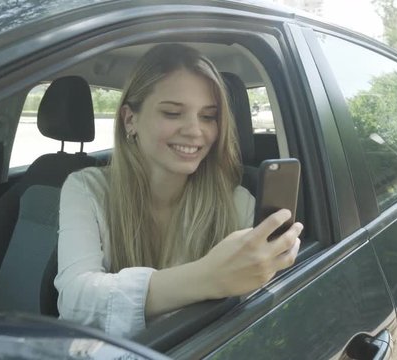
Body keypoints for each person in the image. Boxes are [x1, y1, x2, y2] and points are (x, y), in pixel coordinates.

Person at [54, 43, 303, 338]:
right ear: (130, 120)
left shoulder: (238, 204)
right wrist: (207, 278)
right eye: (173, 113)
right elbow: (75, 300)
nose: (195, 131)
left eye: (209, 116)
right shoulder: (87, 189)